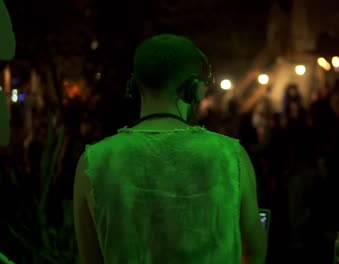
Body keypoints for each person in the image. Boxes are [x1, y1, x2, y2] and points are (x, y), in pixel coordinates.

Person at [73, 34, 267, 264]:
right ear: (194, 89)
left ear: (133, 86)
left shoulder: (92, 161)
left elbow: (89, 259)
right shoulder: (232, 156)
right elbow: (255, 252)